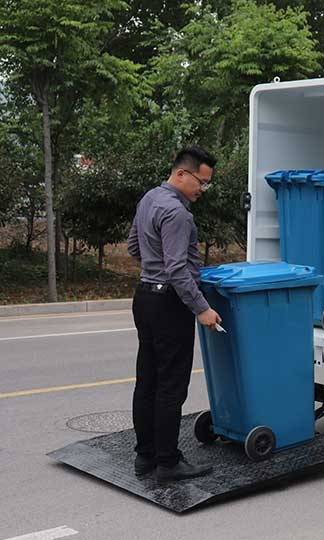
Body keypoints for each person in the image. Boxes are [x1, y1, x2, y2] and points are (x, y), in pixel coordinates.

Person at [127, 145, 222, 482]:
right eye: (201, 182)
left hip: (145, 298)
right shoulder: (178, 214)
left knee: (147, 380)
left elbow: (134, 247)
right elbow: (178, 270)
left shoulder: (149, 199)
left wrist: (153, 270)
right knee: (171, 385)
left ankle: (145, 456)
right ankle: (168, 462)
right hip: (169, 304)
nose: (202, 190)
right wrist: (203, 309)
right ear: (182, 174)